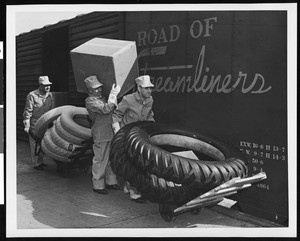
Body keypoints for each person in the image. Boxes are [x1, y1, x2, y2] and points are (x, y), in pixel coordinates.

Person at [112, 75, 155, 204]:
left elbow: (149, 114)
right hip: (127, 135)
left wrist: (154, 126)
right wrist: (117, 133)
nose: (149, 91)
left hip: (140, 136)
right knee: (133, 164)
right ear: (139, 88)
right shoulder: (128, 100)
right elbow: (116, 115)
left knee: (138, 163)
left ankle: (127, 185)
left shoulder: (150, 100)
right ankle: (134, 192)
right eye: (146, 88)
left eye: (150, 88)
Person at [84, 75, 122, 195]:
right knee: (100, 159)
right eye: (96, 88)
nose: (99, 89)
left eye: (100, 87)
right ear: (90, 90)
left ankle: (111, 182)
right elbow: (106, 110)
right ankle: (98, 185)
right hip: (101, 134)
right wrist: (113, 96)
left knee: (111, 159)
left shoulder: (101, 98)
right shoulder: (90, 101)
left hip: (110, 132)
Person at [23, 76, 54, 170]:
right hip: (35, 123)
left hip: (45, 122)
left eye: (49, 85)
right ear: (40, 85)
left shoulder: (50, 95)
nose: (48, 87)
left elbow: (52, 110)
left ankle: (41, 161)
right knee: (35, 144)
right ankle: (35, 164)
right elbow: (27, 111)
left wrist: (52, 123)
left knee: (43, 143)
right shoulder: (32, 95)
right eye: (45, 85)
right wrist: (27, 126)